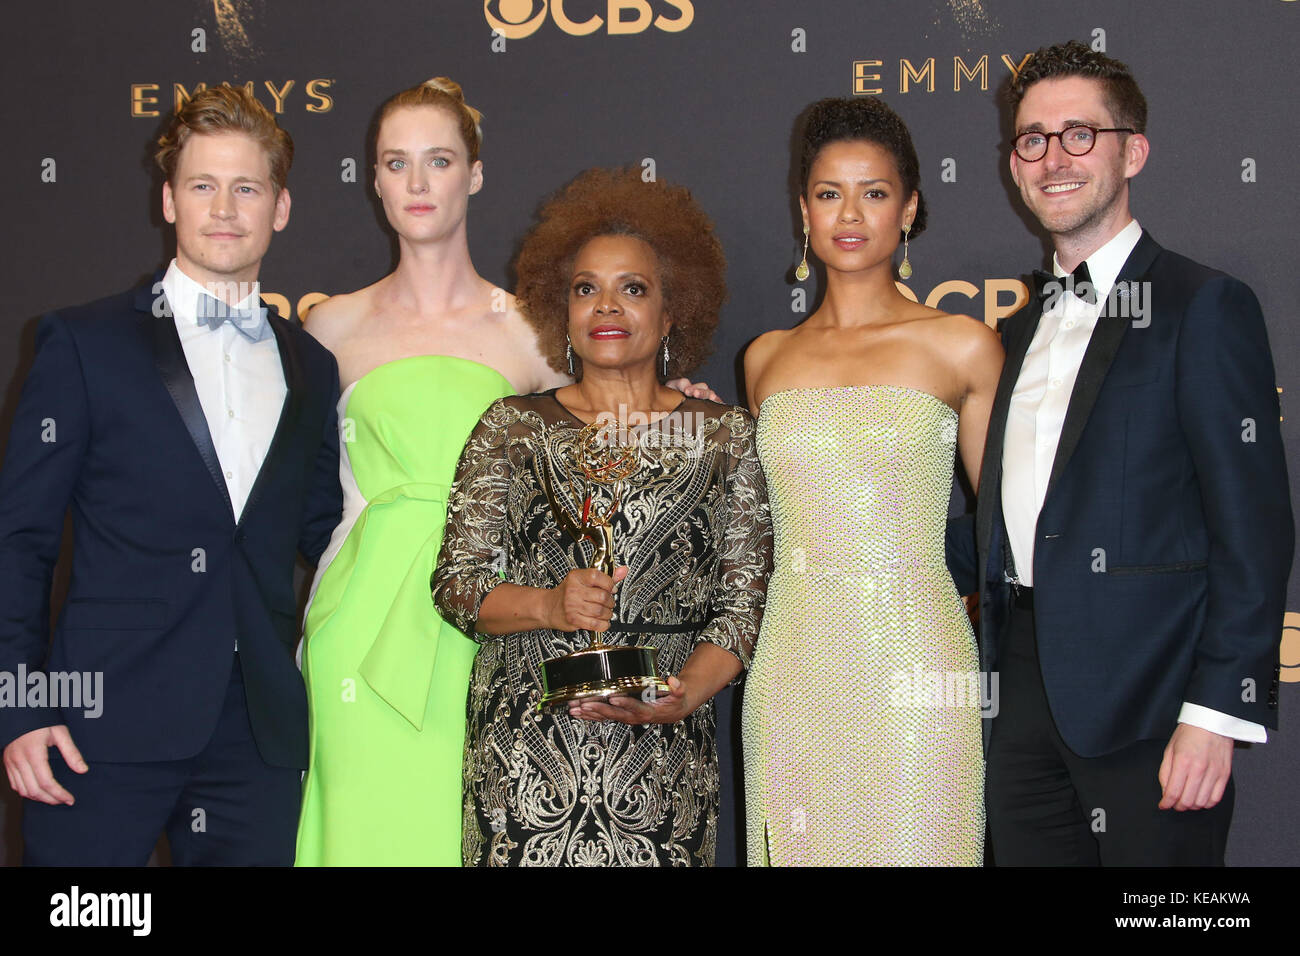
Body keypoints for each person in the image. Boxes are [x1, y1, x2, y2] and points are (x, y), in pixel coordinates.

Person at [296, 81, 716, 865]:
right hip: (359, 619)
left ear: (475, 174)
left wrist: (675, 404)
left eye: (440, 160)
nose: (418, 184)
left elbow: (605, 424)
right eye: (397, 163)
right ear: (374, 179)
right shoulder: (329, 326)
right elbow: (297, 489)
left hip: (490, 622)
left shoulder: (529, 329)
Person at [964, 40, 1291, 865]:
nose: (1052, 158)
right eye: (1031, 139)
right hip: (1022, 693)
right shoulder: (1016, 330)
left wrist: (1214, 714)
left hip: (1154, 701)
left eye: (1080, 134)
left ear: (1132, 151)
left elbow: (1253, 531)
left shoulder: (1204, 305)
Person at [0, 85, 342, 865]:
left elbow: (331, 529)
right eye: (202, 185)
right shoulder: (84, 344)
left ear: (280, 208)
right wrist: (18, 708)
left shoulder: (311, 366)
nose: (224, 207)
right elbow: (17, 541)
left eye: (246, 187)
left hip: (256, 736)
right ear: (168, 200)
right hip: (95, 727)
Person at [432, 167, 773, 867]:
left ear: (673, 310)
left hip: (663, 766)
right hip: (527, 758)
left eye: (633, 288)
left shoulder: (724, 437)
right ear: (563, 309)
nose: (606, 306)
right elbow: (457, 585)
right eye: (586, 288)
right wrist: (549, 604)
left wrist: (683, 698)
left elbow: (744, 609)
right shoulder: (511, 428)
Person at [741, 97, 1003, 866]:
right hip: (793, 663)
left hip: (919, 657)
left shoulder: (962, 346)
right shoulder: (764, 360)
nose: (849, 213)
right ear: (804, 209)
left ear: (909, 208)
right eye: (829, 193)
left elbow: (1009, 530)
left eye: (875, 192)